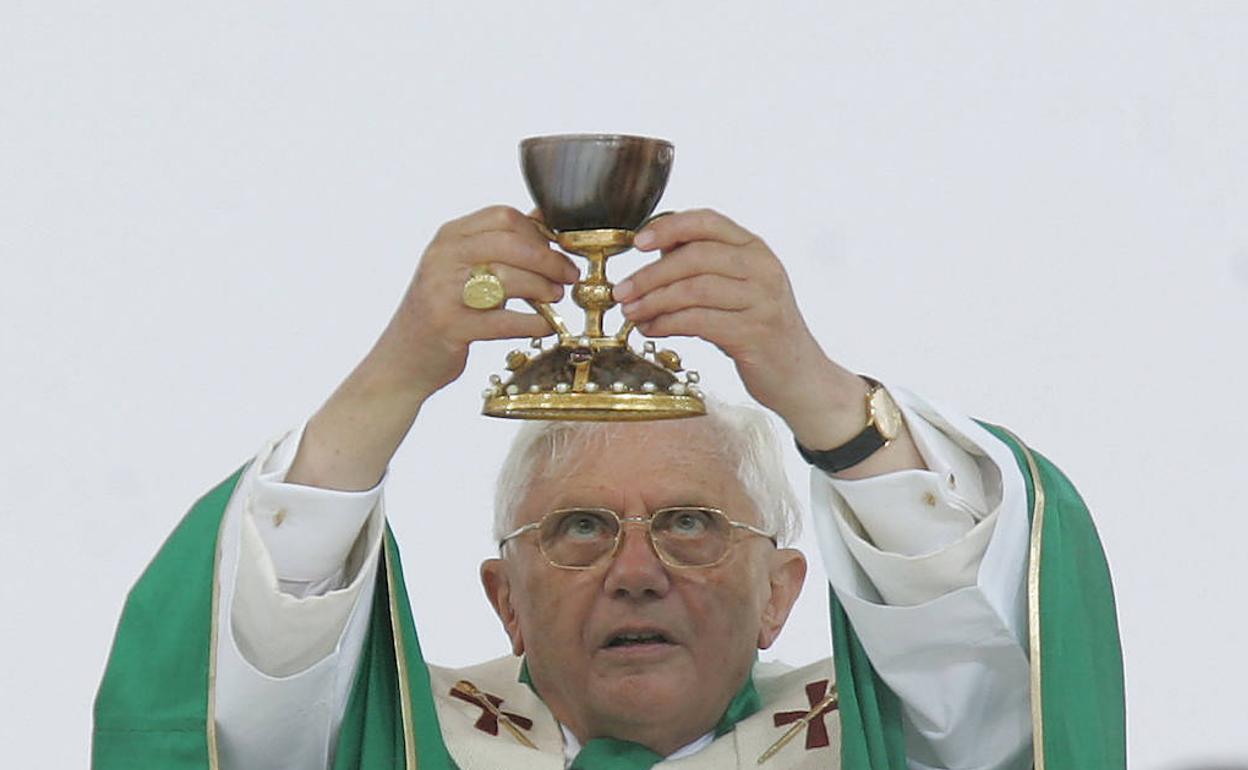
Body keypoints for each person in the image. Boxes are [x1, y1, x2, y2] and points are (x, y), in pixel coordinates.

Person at [93, 208, 1125, 770]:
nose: (639, 571)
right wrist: (396, 373)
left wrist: (822, 397)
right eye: (581, 528)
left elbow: (1014, 664)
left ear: (781, 588)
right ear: (505, 598)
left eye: (691, 524)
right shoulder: (405, 744)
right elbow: (224, 700)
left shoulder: (884, 743)